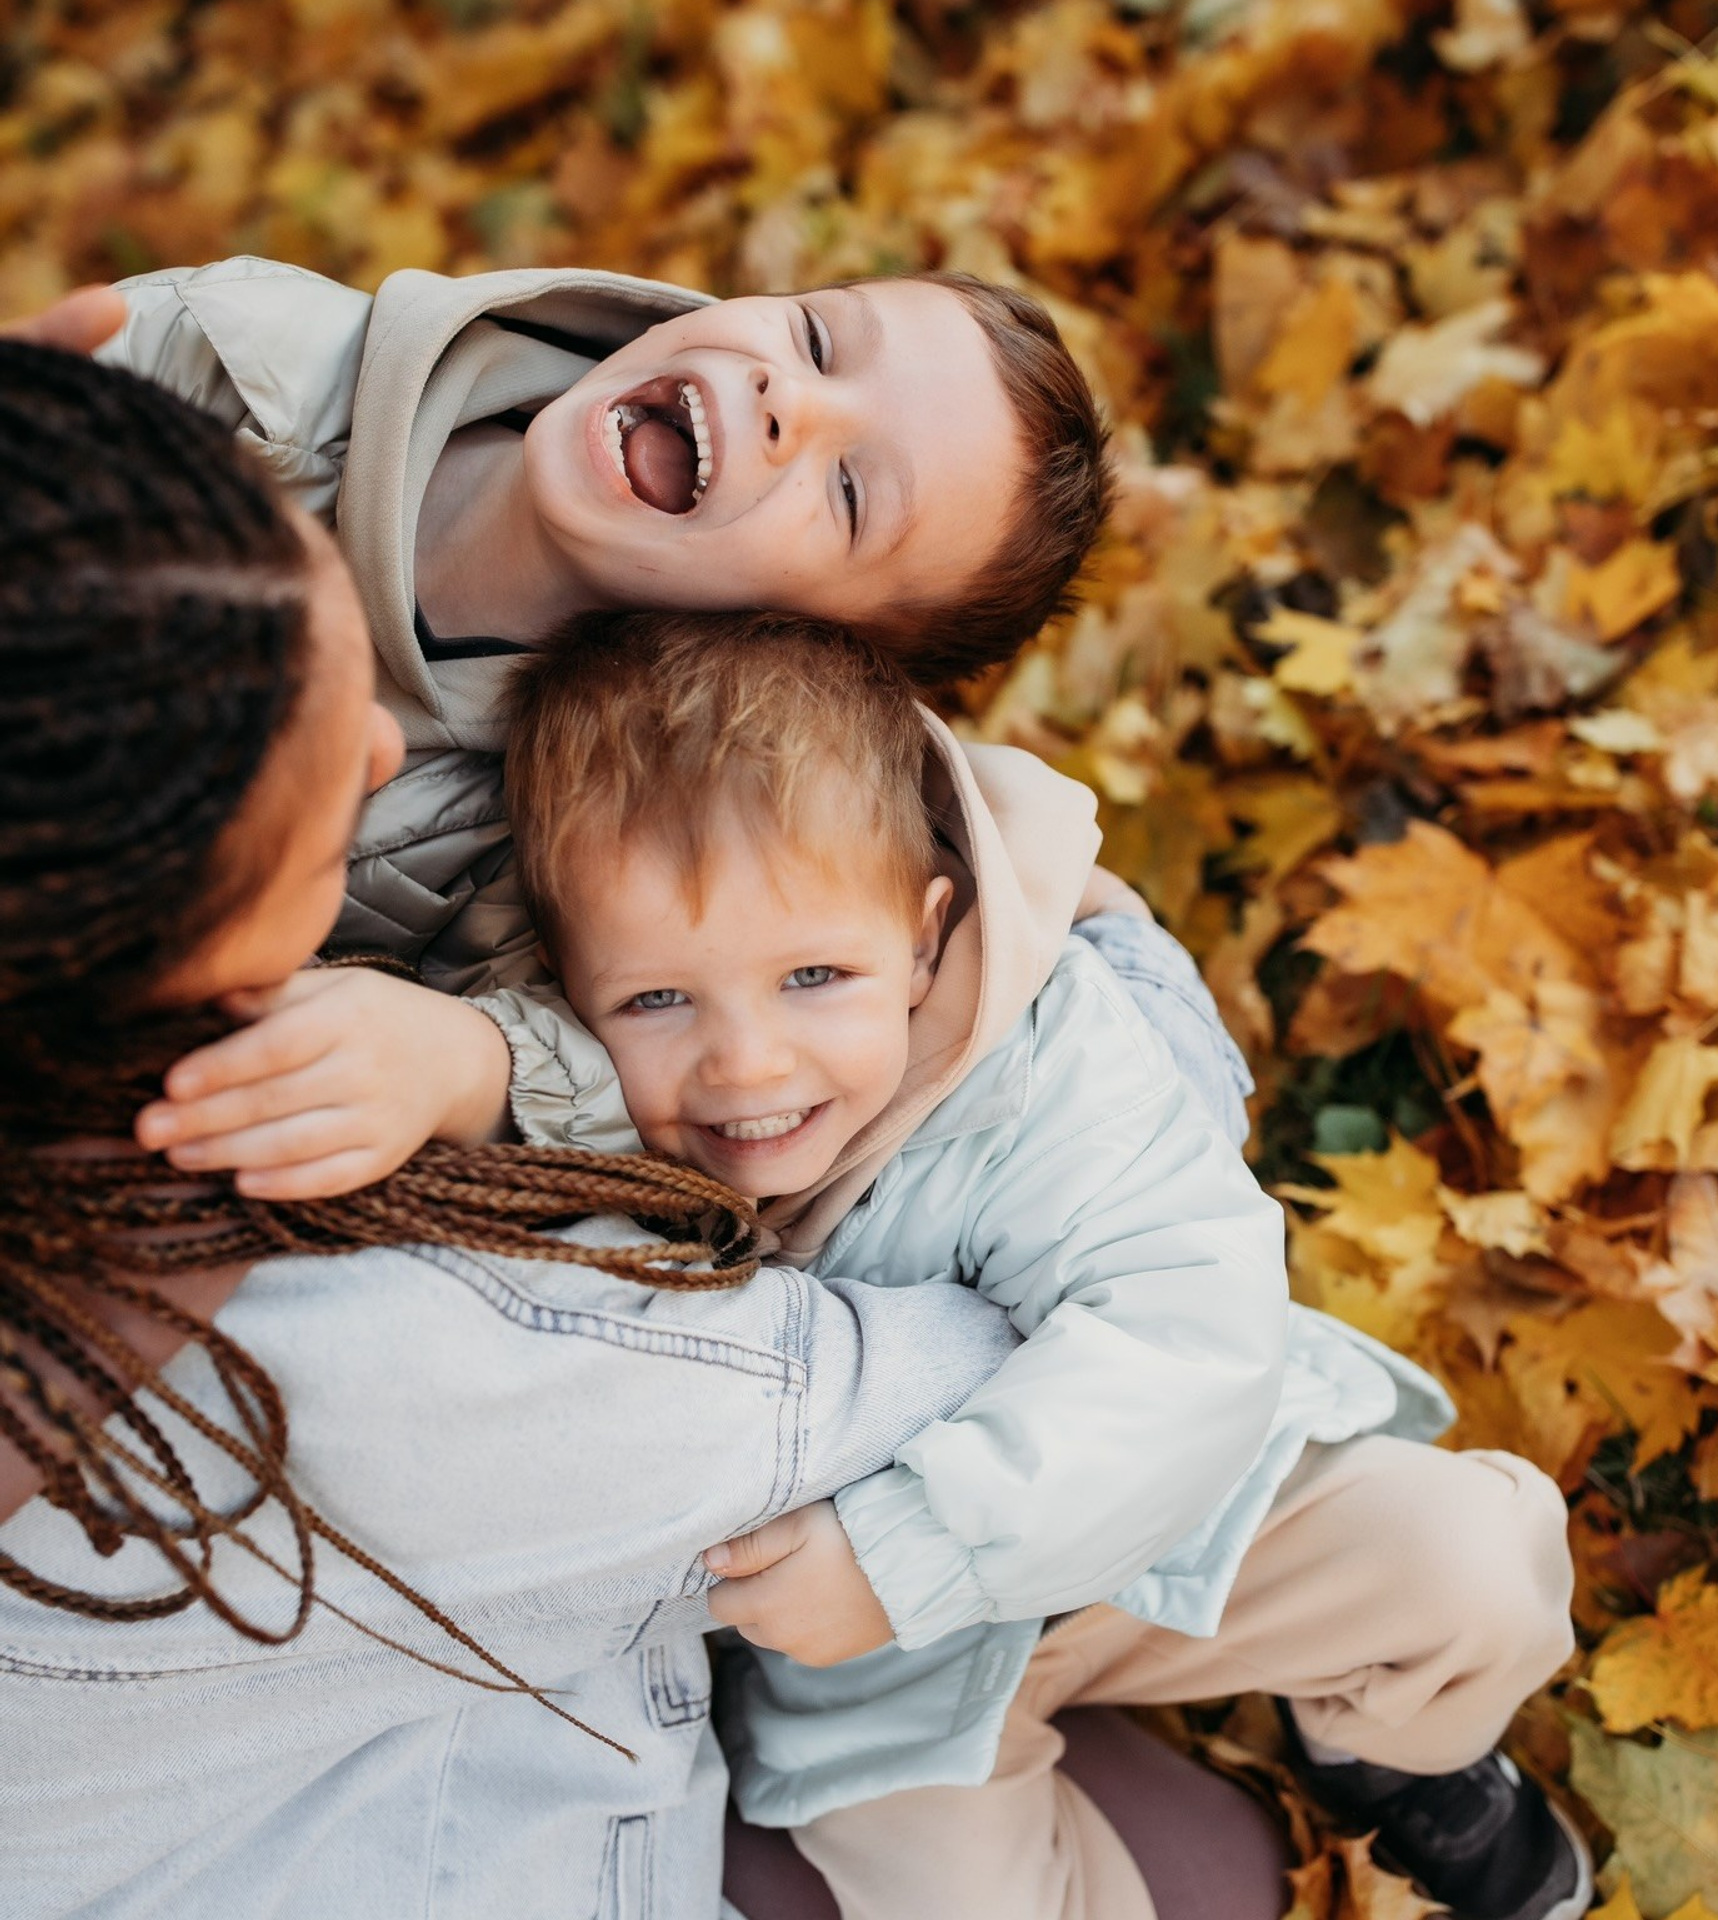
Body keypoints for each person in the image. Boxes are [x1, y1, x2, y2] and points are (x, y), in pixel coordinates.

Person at [308, 607, 1592, 1920]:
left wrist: (908, 1549)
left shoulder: (1041, 1058)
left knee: (1470, 1564)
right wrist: (459, 1067)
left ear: (925, 936)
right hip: (876, 1672)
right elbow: (532, 1106)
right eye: (656, 1000)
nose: (746, 1062)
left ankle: (1387, 1751)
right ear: (576, 987)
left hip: (1134, 1526)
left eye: (815, 974)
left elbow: (1184, 1338)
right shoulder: (598, 1110)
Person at [0, 339, 1034, 1919]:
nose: (385, 752)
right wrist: (1063, 932)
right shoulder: (424, 1343)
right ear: (149, 935)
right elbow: (974, 1363)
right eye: (319, 777)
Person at [98, 250, 1121, 1200]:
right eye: (816, 340)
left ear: (799, 644)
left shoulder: (588, 826)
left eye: (848, 492)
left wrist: (469, 1064)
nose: (787, 399)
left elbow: (642, 1070)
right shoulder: (245, 357)